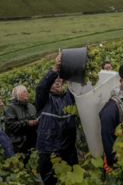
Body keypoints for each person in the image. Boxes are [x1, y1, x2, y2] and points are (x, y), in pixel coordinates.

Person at [34, 53, 78, 185]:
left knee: (72, 177)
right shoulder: (44, 99)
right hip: (48, 148)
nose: (57, 82)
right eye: (54, 81)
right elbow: (41, 87)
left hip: (68, 147)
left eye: (58, 80)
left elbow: (78, 85)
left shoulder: (69, 96)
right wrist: (55, 69)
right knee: (49, 180)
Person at [4, 85, 38, 159]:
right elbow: (11, 125)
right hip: (19, 146)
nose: (27, 93)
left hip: (33, 144)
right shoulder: (10, 108)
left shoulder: (31, 106)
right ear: (17, 94)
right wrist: (27, 123)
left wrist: (37, 122)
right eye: (24, 91)